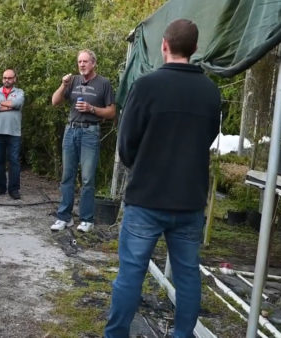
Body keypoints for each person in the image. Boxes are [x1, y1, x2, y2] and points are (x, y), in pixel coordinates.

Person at [104, 19, 221, 338]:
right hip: (189, 201)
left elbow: (126, 143)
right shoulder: (211, 92)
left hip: (147, 197)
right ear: (196, 50)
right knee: (187, 277)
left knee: (131, 273)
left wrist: (140, 166)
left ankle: (116, 335)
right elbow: (208, 138)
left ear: (164, 46)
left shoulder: (145, 86)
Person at [50, 49, 116, 233]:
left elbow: (111, 112)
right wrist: (63, 85)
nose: (82, 65)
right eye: (79, 61)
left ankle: (87, 219)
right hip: (71, 130)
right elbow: (55, 101)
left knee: (87, 178)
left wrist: (92, 109)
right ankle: (64, 217)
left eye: (85, 61)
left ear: (94, 63)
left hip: (90, 132)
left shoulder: (103, 83)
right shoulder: (72, 81)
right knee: (67, 176)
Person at [0, 69, 24, 200]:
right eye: (4, 78)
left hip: (14, 132)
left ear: (15, 79)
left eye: (9, 78)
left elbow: (17, 103)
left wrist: (0, 104)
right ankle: (0, 187)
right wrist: (8, 106)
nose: (6, 80)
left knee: (14, 161)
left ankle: (14, 189)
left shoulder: (19, 92)